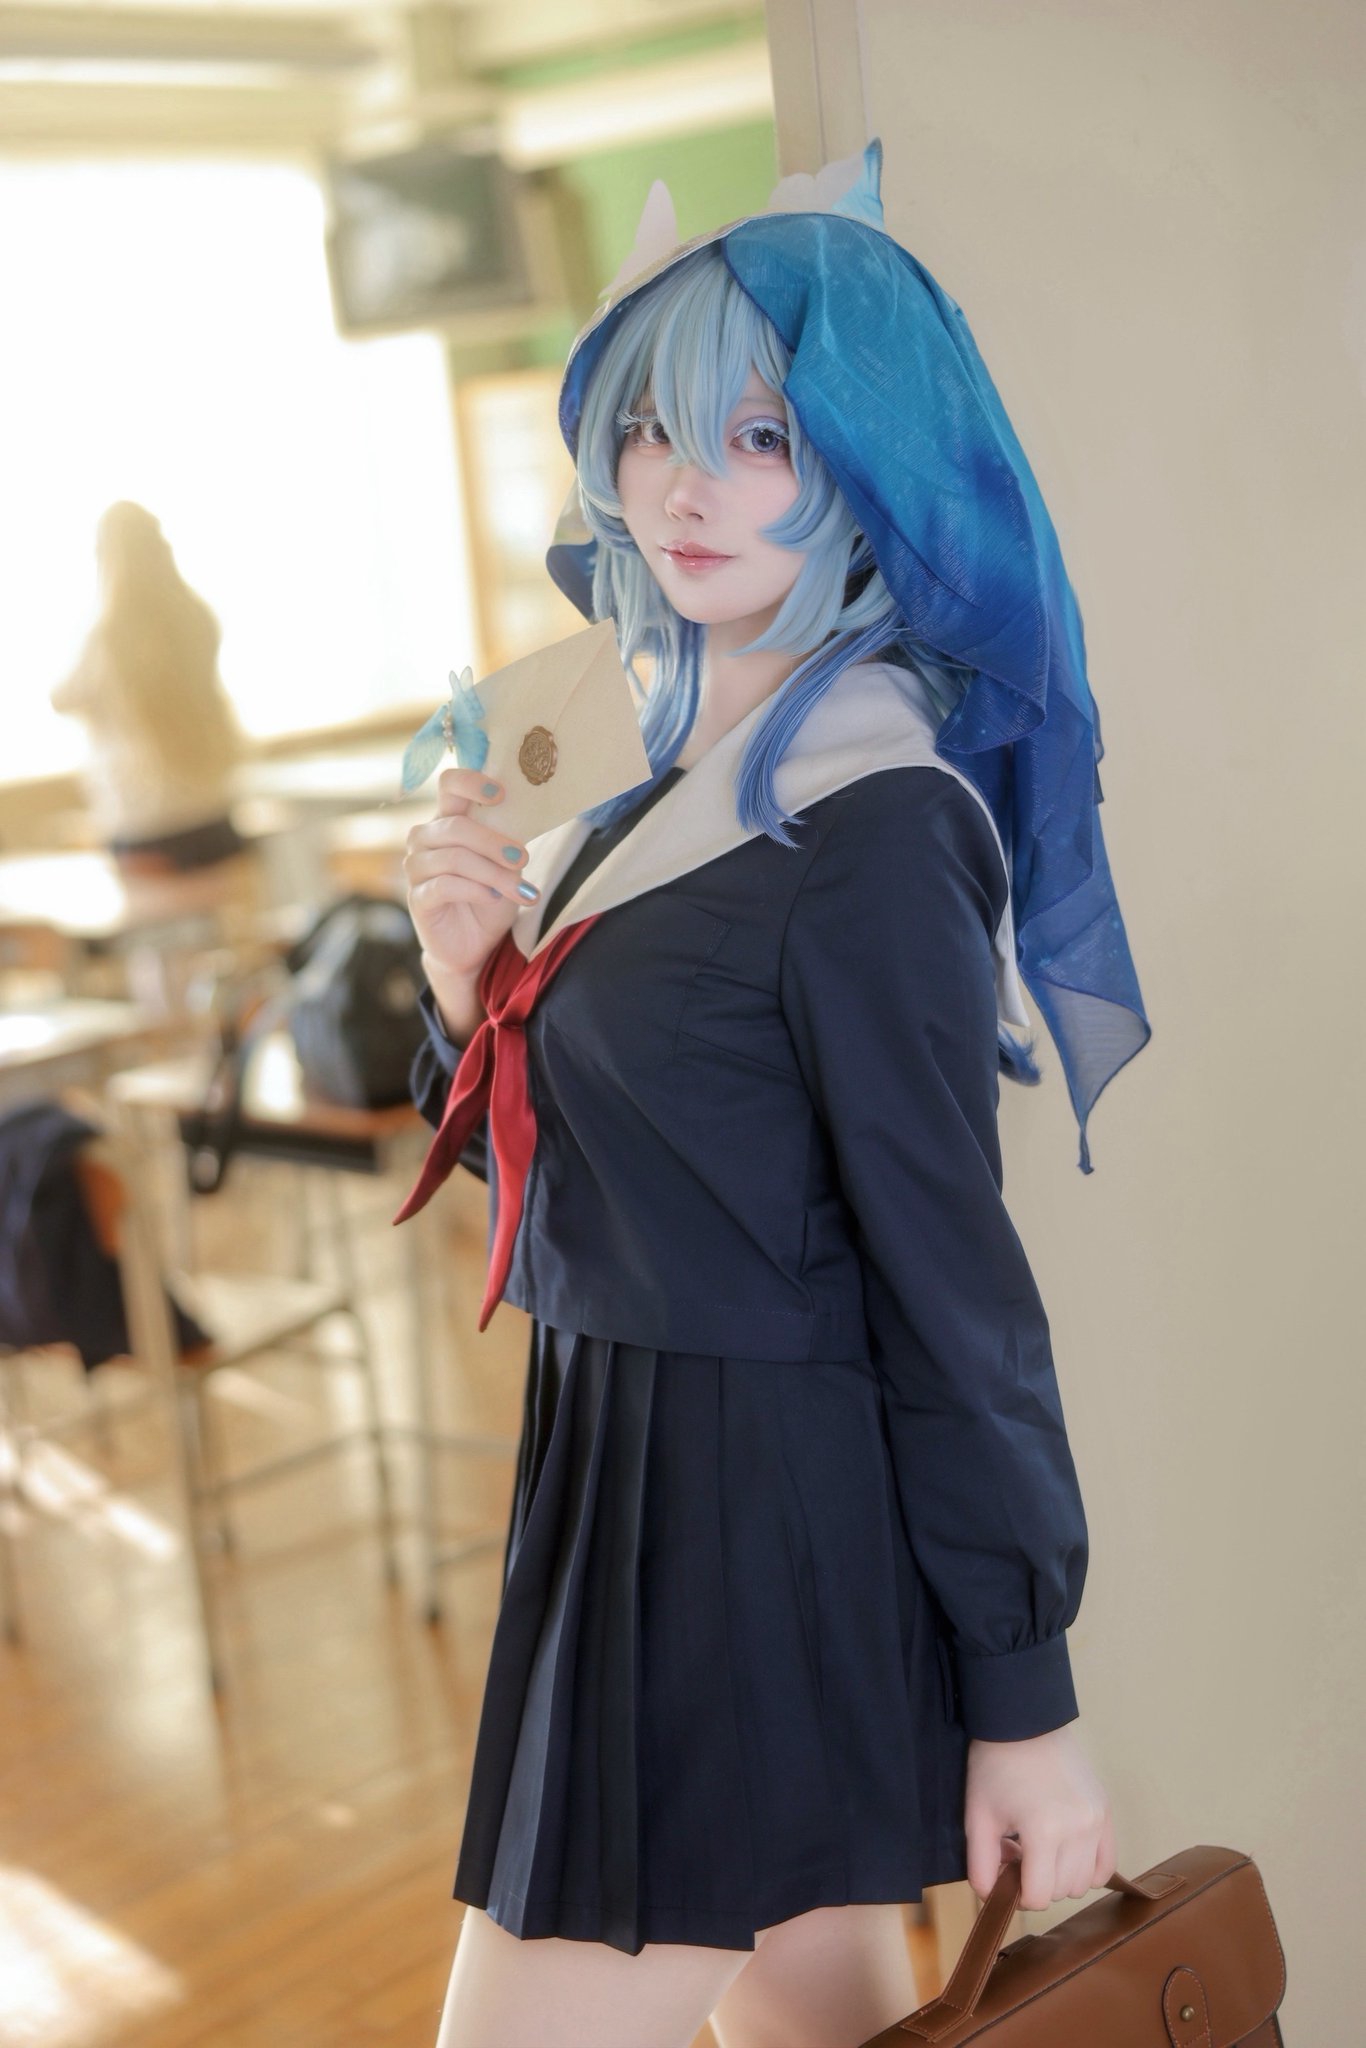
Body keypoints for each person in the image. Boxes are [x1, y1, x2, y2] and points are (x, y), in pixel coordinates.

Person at [400, 140, 1149, 2048]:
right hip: (634, 1486)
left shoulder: (873, 819)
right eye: (655, 429)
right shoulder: (656, 770)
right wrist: (464, 987)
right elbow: (636, 1161)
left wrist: (1026, 1699)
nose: (683, 484)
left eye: (757, 435)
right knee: (827, 2022)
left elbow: (952, 1286)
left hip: (744, 1530)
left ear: (865, 464)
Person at [51, 500, 246, 874]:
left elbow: (61, 699)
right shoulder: (196, 615)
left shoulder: (107, 635)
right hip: (213, 811)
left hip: (147, 826)